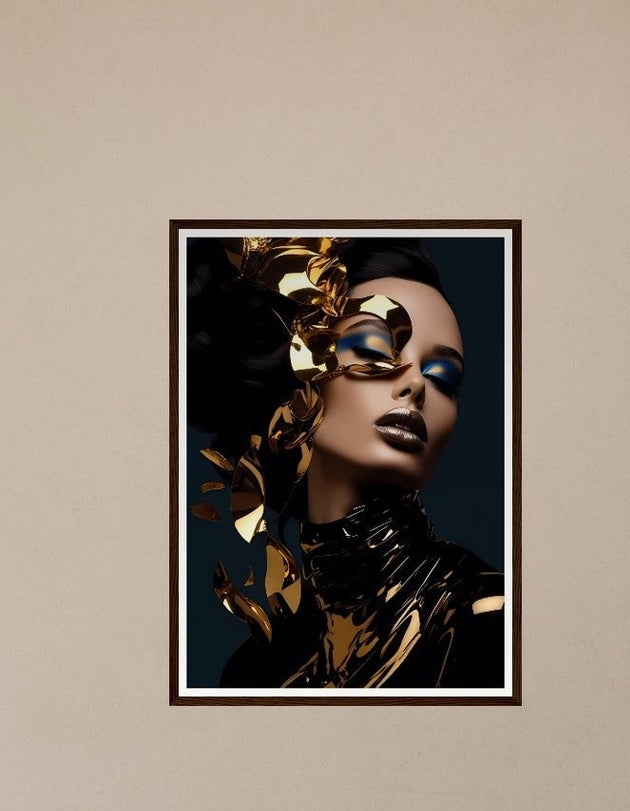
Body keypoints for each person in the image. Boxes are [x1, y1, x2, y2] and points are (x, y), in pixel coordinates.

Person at [187, 236, 504, 690]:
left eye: (443, 376)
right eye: (376, 349)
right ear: (297, 370)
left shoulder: (490, 622)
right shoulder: (259, 670)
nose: (416, 383)